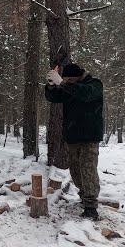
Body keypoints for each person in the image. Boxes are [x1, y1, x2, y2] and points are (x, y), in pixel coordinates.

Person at [44, 63, 104, 220]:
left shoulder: (94, 84)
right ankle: (84, 196)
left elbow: (85, 94)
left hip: (90, 136)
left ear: (78, 77)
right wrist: (51, 86)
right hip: (72, 136)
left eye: (70, 79)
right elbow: (54, 97)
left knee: (88, 169)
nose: (67, 82)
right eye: (66, 79)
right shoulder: (70, 87)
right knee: (75, 170)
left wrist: (62, 83)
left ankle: (91, 206)